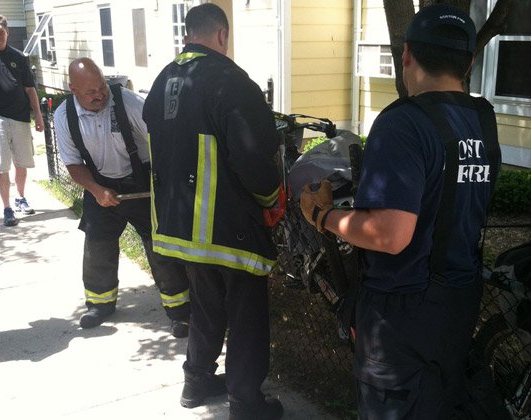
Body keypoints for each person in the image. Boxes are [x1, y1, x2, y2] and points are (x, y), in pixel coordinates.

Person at [300, 5, 501, 419]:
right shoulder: (483, 121)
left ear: (406, 55)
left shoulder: (404, 124)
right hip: (459, 304)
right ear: (470, 61)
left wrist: (323, 217)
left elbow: (390, 235)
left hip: (400, 319)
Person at [143, 4, 283, 419]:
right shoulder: (230, 81)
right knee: (246, 318)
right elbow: (256, 159)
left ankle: (196, 381)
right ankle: (245, 402)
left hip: (179, 226)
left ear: (189, 34)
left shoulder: (164, 79)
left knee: (206, 307)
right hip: (228, 229)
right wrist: (271, 197)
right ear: (221, 35)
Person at [53, 58, 190, 337]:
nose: (99, 94)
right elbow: (73, 165)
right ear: (73, 89)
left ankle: (179, 311)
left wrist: (168, 182)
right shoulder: (63, 116)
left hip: (140, 181)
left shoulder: (128, 103)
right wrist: (96, 190)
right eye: (90, 91)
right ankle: (100, 304)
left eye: (102, 86)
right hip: (99, 184)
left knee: (159, 246)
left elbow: (162, 141)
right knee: (97, 245)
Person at [0, 14, 44, 227]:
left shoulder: (19, 57)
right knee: (1, 166)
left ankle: (20, 197)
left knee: (22, 162)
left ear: (8, 32)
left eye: (2, 33)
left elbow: (30, 89)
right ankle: (7, 208)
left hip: (20, 117)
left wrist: (38, 115)